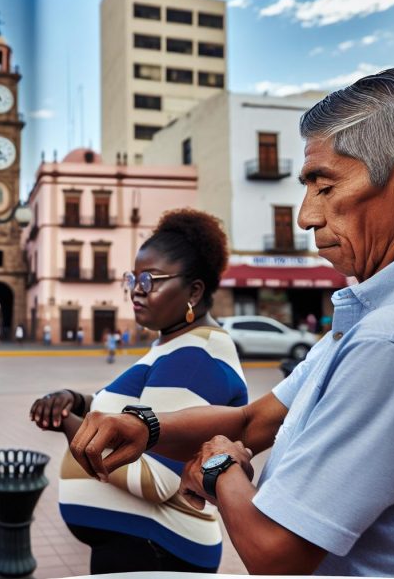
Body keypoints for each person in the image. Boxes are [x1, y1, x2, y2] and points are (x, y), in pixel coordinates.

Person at [69, 68, 394, 577]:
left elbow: (276, 553)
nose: (306, 216)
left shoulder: (392, 341)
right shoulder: (368, 317)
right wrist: (146, 426)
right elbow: (253, 421)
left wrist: (221, 468)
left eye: (325, 187)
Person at [30, 209, 248, 574]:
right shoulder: (174, 345)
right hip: (138, 548)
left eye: (150, 280)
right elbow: (129, 413)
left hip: (157, 551)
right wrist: (77, 400)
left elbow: (154, 479)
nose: (136, 290)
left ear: (194, 291)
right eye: (133, 278)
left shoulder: (196, 357)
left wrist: (68, 423)